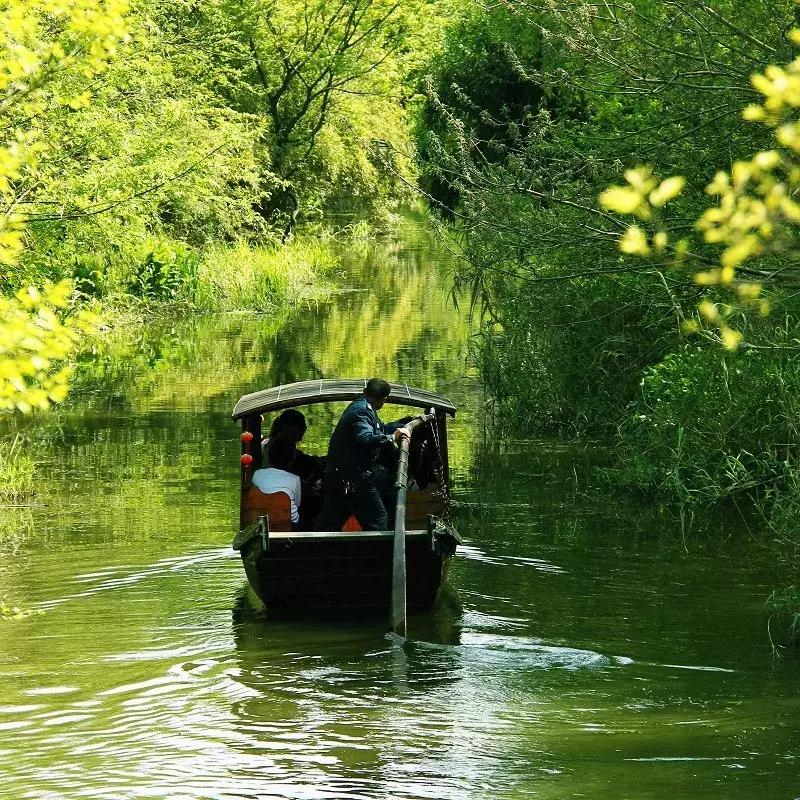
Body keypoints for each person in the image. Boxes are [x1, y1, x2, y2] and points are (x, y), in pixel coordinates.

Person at [315, 378, 414, 531]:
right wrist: (393, 438)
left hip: (338, 477)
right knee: (378, 519)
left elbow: (379, 429)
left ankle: (316, 551)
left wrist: (402, 425)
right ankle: (377, 552)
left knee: (330, 522)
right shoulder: (362, 411)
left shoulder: (361, 406)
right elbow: (366, 437)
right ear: (383, 400)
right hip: (353, 480)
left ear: (364, 391)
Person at [262, 408, 325, 528]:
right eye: (301, 427)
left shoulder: (269, 443)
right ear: (289, 427)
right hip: (281, 495)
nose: (304, 431)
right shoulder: (281, 446)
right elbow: (302, 463)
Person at [251, 437, 302, 529]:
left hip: (260, 520)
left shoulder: (257, 474)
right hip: (288, 522)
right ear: (291, 459)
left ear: (269, 456)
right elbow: (298, 504)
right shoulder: (295, 479)